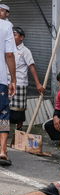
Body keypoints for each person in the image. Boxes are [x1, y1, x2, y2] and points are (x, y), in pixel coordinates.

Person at [8, 27, 45, 131]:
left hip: (20, 83)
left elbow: (32, 67)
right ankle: (4, 131)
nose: (11, 37)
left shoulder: (25, 51)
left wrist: (38, 83)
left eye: (14, 35)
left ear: (21, 37)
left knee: (19, 110)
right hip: (7, 82)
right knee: (4, 109)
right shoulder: (7, 49)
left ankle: (19, 130)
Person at [0, 17, 16, 166]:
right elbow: (9, 54)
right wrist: (13, 79)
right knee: (3, 115)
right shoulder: (5, 26)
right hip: (0, 80)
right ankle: (3, 150)